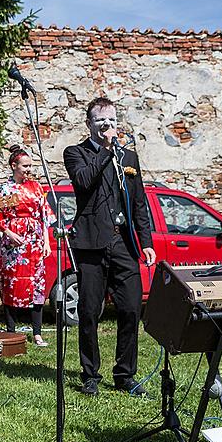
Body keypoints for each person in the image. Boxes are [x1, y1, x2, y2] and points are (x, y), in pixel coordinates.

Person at [63, 96, 155, 397]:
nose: (108, 127)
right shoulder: (76, 153)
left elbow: (139, 201)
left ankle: (125, 374)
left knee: (130, 308)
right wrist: (106, 151)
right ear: (90, 124)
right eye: (102, 122)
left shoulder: (129, 158)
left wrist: (146, 241)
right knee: (89, 310)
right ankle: (90, 373)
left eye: (112, 121)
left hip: (123, 242)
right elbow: (84, 182)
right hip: (91, 242)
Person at [0, 145, 55, 346]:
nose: (28, 170)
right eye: (25, 166)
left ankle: (37, 333)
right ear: (13, 166)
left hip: (34, 242)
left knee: (37, 286)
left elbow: (43, 216)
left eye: (30, 166)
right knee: (11, 285)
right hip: (12, 243)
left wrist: (46, 242)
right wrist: (8, 233)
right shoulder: (4, 189)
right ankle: (10, 331)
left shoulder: (36, 187)